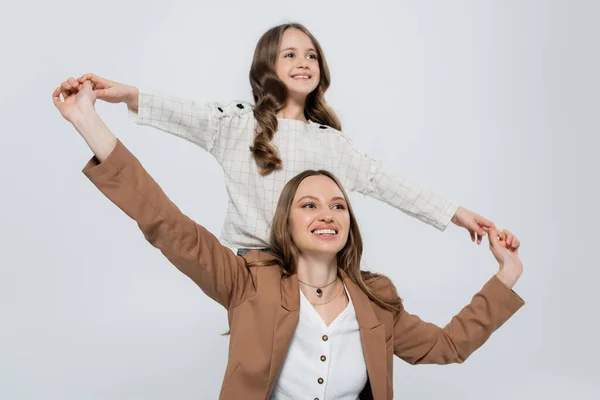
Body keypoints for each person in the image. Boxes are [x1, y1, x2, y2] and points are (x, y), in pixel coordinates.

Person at [53, 79, 524, 400]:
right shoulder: (245, 284)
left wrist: (507, 274)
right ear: (286, 224)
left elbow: (445, 346)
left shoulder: (376, 300)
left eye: (338, 205)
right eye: (309, 204)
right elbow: (165, 222)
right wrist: (87, 122)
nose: (327, 214)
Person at [59, 22, 515, 255]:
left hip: (319, 270)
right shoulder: (236, 124)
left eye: (311, 55)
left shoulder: (331, 143)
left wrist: (457, 215)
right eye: (290, 54)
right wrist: (124, 94)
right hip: (253, 268)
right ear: (267, 68)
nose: (304, 62)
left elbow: (387, 182)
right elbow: (183, 113)